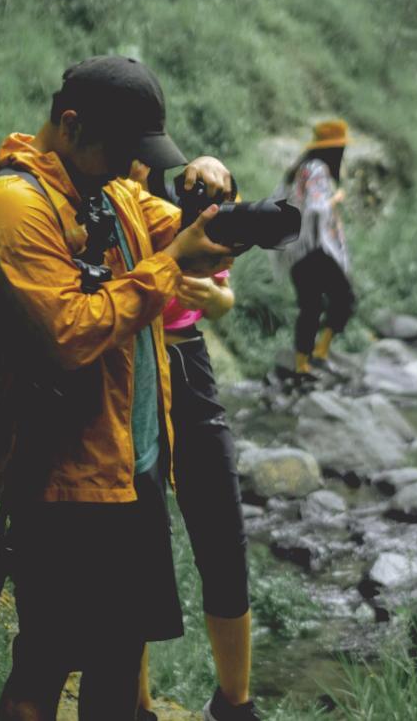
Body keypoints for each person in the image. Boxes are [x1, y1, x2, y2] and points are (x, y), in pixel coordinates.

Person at [0, 56, 234, 721]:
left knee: (118, 662)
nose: (130, 167)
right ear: (71, 124)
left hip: (131, 469)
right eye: (120, 150)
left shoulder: (109, 192)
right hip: (61, 478)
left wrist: (227, 209)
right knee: (45, 665)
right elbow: (69, 333)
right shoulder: (13, 207)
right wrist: (170, 267)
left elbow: (196, 241)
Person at [130, 163, 259, 721]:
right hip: (127, 363)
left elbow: (224, 299)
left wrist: (209, 294)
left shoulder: (188, 205)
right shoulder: (111, 201)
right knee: (135, 541)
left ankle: (234, 704)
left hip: (186, 359)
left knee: (224, 533)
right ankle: (135, 706)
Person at [278, 120, 355, 375]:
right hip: (313, 248)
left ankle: (303, 363)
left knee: (310, 305)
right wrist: (336, 198)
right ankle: (319, 353)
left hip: (296, 248)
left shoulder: (301, 168)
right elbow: (316, 206)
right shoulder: (318, 169)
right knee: (343, 298)